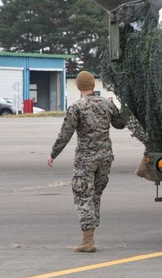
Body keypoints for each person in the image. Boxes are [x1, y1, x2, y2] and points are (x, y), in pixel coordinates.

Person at [47, 71, 128, 252]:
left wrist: (53, 154)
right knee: (95, 195)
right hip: (105, 158)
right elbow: (120, 124)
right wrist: (117, 105)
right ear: (93, 85)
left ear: (78, 86)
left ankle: (88, 241)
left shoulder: (76, 107)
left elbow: (65, 134)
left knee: (83, 196)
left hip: (86, 160)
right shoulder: (107, 104)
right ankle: (91, 234)